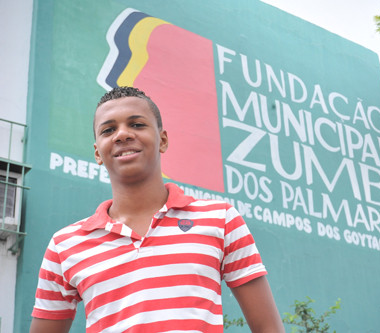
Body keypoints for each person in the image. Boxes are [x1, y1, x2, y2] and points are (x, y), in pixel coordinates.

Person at [30, 87, 284, 332]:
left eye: (137, 124)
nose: (122, 134)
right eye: (108, 130)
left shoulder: (221, 219)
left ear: (162, 140)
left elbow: (268, 328)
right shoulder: (64, 245)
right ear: (98, 152)